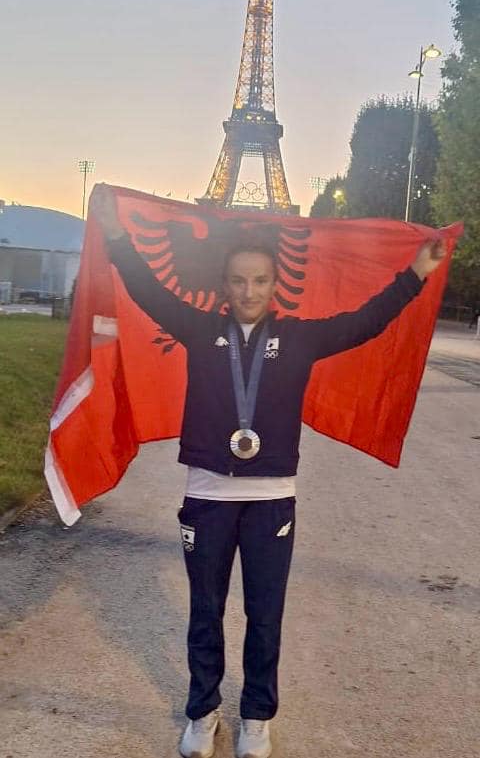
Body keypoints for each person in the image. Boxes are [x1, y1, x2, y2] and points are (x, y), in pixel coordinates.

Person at [92, 184, 446, 758]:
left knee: (264, 614)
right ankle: (202, 712)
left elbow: (365, 322)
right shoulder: (198, 329)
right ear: (224, 285)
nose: (249, 291)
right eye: (238, 280)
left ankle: (256, 716)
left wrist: (416, 272)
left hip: (271, 499)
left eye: (259, 280)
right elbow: (146, 287)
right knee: (205, 611)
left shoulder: (300, 339)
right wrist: (114, 232)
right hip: (207, 495)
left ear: (274, 284)